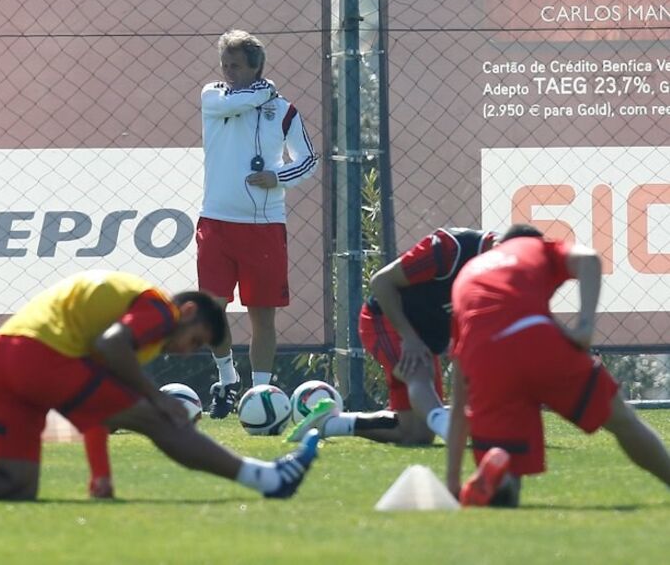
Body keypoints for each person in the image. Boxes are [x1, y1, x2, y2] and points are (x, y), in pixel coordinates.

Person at [0, 270, 320, 501]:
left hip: (2, 359)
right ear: (185, 313)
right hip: (37, 356)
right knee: (161, 419)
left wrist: (101, 476)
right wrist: (154, 396)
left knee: (14, 484)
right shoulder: (159, 312)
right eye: (197, 341)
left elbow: (93, 414)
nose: (188, 352)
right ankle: (267, 477)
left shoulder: (135, 337)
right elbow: (112, 346)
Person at [446, 224, 670, 506]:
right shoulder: (538, 247)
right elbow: (589, 259)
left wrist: (451, 480)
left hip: (485, 358)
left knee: (506, 456)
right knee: (623, 421)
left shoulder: (468, 273)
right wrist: (585, 326)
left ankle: (500, 476)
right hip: (536, 338)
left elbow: (459, 400)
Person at [198, 29, 318, 418]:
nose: (229, 72)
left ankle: (260, 396)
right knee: (211, 311)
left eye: (237, 66)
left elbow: (307, 160)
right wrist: (264, 90)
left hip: (265, 226)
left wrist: (278, 177)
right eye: (225, 65)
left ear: (256, 66)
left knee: (262, 315)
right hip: (216, 221)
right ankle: (227, 378)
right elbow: (244, 98)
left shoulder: (282, 109)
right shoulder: (214, 96)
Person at [288, 228, 497, 445]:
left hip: (423, 337)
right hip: (386, 319)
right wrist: (409, 338)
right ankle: (448, 428)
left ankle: (330, 424)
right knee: (418, 370)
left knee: (417, 434)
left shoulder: (509, 280)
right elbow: (381, 282)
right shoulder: (451, 248)